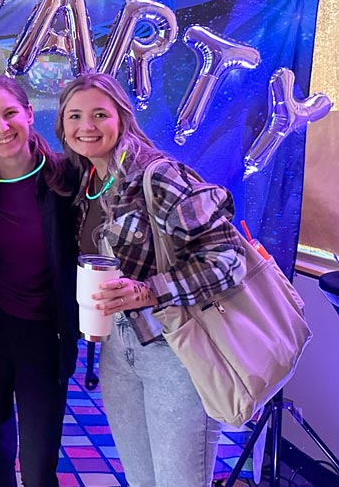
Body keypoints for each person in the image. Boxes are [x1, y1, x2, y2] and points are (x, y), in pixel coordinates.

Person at [54, 72, 246, 487]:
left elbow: (228, 259)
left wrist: (148, 290)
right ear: (63, 127)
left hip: (173, 348)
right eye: (75, 116)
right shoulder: (89, 180)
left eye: (99, 114)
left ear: (122, 118)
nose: (86, 126)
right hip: (118, 348)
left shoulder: (156, 175)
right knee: (141, 479)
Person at [0, 74, 79, 487]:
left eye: (9, 114)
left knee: (40, 466)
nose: (0, 128)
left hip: (45, 337)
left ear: (28, 112)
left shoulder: (65, 177)